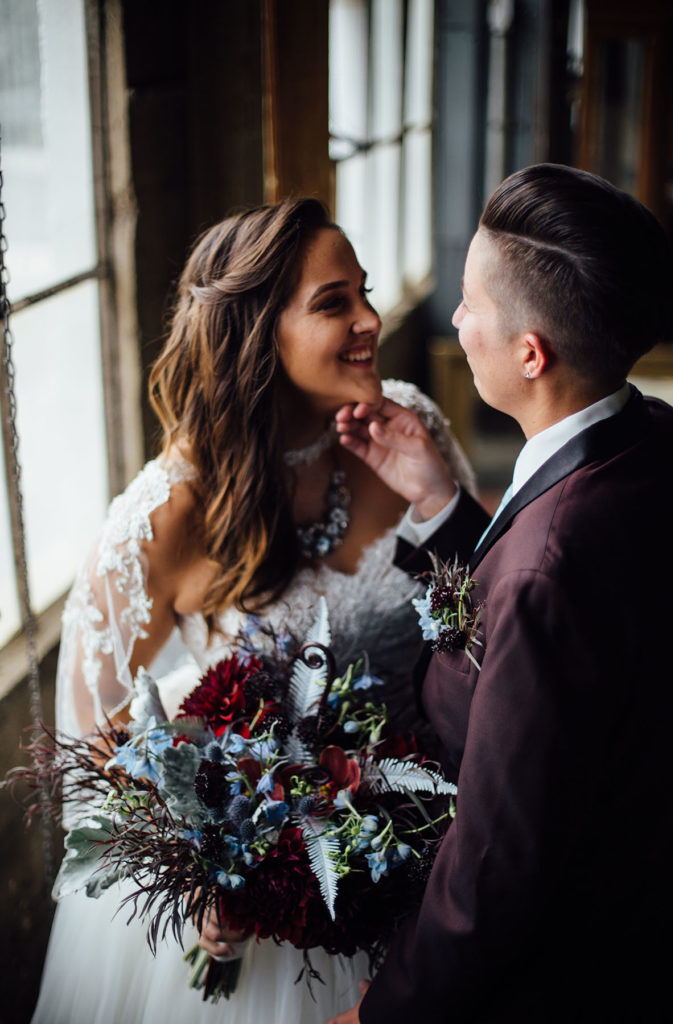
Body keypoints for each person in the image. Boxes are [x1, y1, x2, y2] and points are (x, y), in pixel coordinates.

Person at [31, 197, 475, 1024]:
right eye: (332, 302)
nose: (370, 320)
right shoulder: (166, 515)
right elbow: (92, 756)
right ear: (254, 332)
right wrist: (202, 873)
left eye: (365, 293)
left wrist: (442, 498)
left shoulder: (410, 428)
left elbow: (481, 620)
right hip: (267, 922)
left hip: (425, 853)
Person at [329, 164, 673, 1023]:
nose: (453, 321)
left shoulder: (548, 563)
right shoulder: (655, 437)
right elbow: (553, 616)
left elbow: (497, 862)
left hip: (548, 982)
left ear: (531, 352)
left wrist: (385, 1013)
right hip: (633, 930)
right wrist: (443, 507)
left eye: (468, 304)